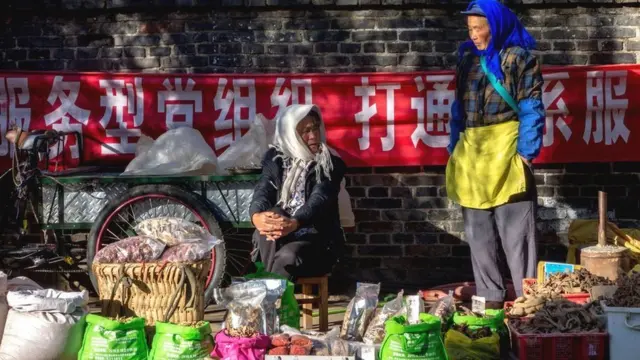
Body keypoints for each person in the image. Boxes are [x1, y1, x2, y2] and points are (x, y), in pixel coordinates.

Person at [446, 0, 545, 308]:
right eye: (470, 29)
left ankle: (528, 304)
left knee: (518, 241)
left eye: (479, 28)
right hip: (474, 156)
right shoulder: (467, 61)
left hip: (507, 154)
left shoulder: (520, 59)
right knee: (479, 237)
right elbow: (458, 109)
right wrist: (454, 149)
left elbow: (531, 107)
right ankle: (490, 302)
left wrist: (526, 154)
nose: (474, 35)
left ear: (496, 25)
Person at [249, 104, 347, 280]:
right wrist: (256, 216)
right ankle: (276, 299)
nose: (313, 136)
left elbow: (320, 199)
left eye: (315, 128)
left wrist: (295, 222)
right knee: (271, 217)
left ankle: (268, 298)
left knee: (288, 256)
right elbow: (263, 189)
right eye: (305, 131)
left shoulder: (330, 164)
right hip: (277, 237)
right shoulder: (275, 159)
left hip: (315, 240)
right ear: (290, 134)